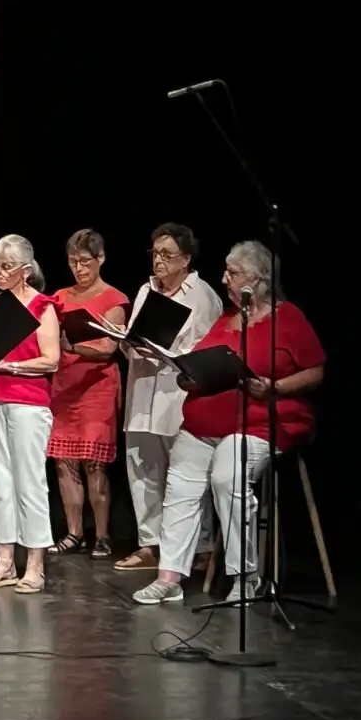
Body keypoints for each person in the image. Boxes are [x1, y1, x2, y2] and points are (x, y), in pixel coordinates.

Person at [133, 241, 326, 605]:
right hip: (207, 420)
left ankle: (244, 576)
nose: (224, 279)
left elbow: (316, 371)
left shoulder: (287, 318)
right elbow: (203, 360)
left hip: (260, 421)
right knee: (181, 484)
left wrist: (276, 386)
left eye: (232, 274)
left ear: (258, 279)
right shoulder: (226, 319)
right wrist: (187, 375)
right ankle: (169, 577)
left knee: (228, 476)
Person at [115, 223, 224, 572]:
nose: (159, 261)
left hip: (176, 397)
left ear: (186, 259)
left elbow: (207, 350)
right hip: (142, 392)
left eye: (167, 255)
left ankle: (202, 547)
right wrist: (125, 339)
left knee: (186, 477)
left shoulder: (202, 296)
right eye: (155, 254)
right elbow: (134, 339)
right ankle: (150, 544)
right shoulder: (146, 290)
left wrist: (167, 351)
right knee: (143, 472)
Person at [0, 234, 62, 593]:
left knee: (29, 481)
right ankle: (5, 560)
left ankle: (35, 563)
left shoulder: (41, 306)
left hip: (27, 401)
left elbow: (51, 359)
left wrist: (11, 367)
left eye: (6, 267)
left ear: (25, 269)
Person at [48, 230, 129, 558]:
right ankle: (74, 532)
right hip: (64, 387)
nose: (78, 268)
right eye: (72, 262)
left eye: (85, 261)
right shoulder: (60, 297)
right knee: (65, 461)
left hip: (96, 387)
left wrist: (71, 345)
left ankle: (104, 534)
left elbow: (109, 347)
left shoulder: (114, 298)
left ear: (101, 259)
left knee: (95, 463)